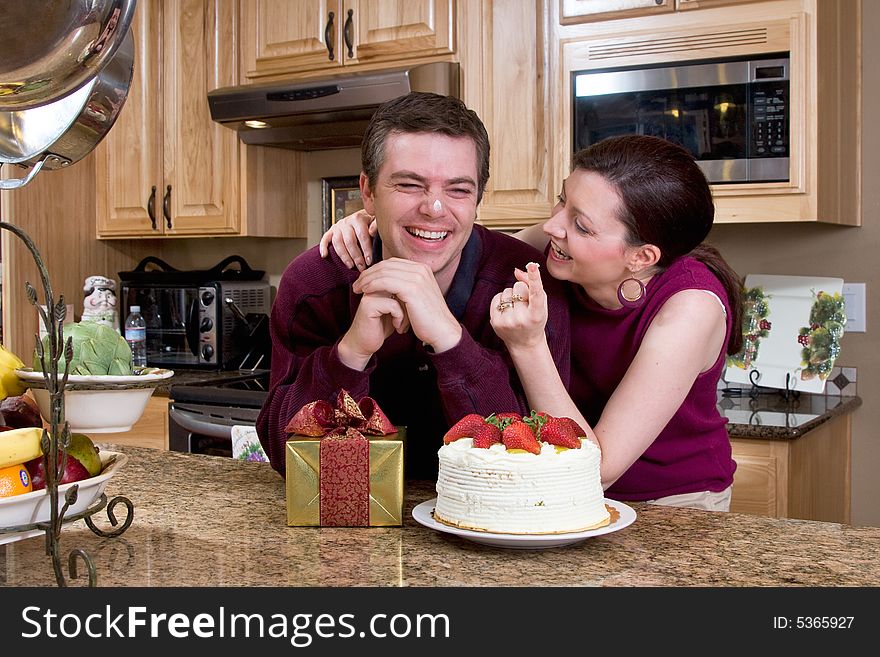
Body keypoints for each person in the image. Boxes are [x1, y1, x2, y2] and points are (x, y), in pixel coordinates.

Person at [323, 134, 743, 510]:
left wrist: (528, 346)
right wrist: (374, 223)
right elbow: (460, 242)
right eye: (563, 201)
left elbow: (598, 469)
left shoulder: (691, 308)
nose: (551, 226)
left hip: (669, 506)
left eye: (581, 225)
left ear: (642, 257)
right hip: (552, 494)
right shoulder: (556, 247)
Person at [257, 92, 570, 479]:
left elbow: (536, 464)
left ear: (478, 200)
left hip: (486, 529)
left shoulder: (525, 283)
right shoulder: (315, 281)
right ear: (368, 193)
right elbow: (286, 459)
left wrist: (450, 340)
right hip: (352, 526)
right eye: (409, 185)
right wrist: (350, 354)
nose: (434, 208)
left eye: (458, 189)